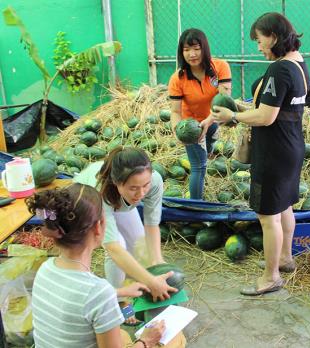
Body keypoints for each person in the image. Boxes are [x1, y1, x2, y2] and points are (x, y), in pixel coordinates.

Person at [212, 12, 309, 295]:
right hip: (292, 146)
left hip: (274, 151)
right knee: (285, 205)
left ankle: (271, 277)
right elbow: (281, 110)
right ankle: (285, 258)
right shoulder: (299, 65)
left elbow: (267, 117)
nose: (258, 46)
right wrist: (242, 110)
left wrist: (233, 115)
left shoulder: (279, 69)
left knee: (268, 217)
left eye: (259, 40)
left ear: (274, 37)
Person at [26, 183, 168, 348]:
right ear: (99, 227)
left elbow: (76, 297)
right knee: (173, 340)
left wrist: (120, 292)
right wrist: (146, 341)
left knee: (120, 335)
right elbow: (94, 297)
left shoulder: (45, 268)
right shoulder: (98, 292)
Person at [74, 147, 177, 323]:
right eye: (134, 188)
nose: (141, 193)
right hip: (85, 202)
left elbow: (152, 224)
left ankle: (134, 289)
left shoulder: (155, 181)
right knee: (119, 245)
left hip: (119, 202)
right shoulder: (99, 191)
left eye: (145, 185)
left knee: (139, 244)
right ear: (117, 182)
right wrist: (152, 282)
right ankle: (120, 301)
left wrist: (157, 263)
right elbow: (113, 247)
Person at [168, 28, 232, 200]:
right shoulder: (177, 78)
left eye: (196, 48)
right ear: (181, 52)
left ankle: (209, 150)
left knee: (211, 140)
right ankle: (196, 206)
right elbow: (175, 111)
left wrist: (209, 120)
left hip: (214, 117)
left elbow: (224, 100)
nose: (192, 54)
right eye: (186, 50)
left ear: (204, 48)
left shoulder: (220, 67)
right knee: (199, 166)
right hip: (192, 125)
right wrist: (179, 131)